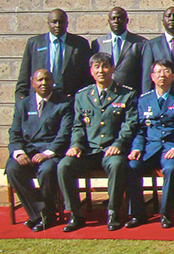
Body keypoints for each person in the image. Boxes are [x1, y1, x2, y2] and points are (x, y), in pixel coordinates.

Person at [57, 53, 138, 232]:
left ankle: (113, 212)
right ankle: (75, 214)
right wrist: (75, 145)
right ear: (91, 71)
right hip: (89, 151)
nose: (101, 71)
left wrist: (118, 144)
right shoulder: (82, 96)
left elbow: (129, 124)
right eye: (96, 67)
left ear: (112, 69)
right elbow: (78, 125)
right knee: (64, 165)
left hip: (112, 150)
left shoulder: (126, 94)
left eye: (105, 66)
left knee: (117, 165)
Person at [127, 59, 174, 229]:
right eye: (158, 72)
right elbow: (141, 129)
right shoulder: (144, 100)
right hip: (150, 147)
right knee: (132, 167)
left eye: (166, 71)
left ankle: (166, 214)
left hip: (172, 147)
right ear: (152, 76)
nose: (162, 75)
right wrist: (136, 148)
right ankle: (137, 214)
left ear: (173, 76)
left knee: (170, 169)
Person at [6, 68, 73, 231]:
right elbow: (14, 132)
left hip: (49, 153)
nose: (43, 83)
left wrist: (47, 154)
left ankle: (43, 215)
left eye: (47, 80)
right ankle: (41, 213)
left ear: (53, 82)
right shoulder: (23, 104)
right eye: (40, 80)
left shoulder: (63, 103)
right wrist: (19, 152)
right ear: (32, 82)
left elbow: (64, 134)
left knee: (47, 170)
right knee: (12, 169)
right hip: (27, 152)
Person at [16, 8, 91, 100]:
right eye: (54, 22)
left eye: (61, 22)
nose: (57, 25)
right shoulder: (35, 43)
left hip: (70, 99)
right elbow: (25, 75)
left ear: (67, 24)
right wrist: (21, 100)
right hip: (41, 98)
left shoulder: (80, 44)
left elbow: (87, 76)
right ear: (48, 23)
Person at [91, 6, 147, 93]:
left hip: (130, 93)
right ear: (109, 21)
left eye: (120, 18)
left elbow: (145, 72)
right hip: (105, 92)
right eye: (113, 18)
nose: (116, 21)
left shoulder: (140, 43)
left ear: (127, 20)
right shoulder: (98, 43)